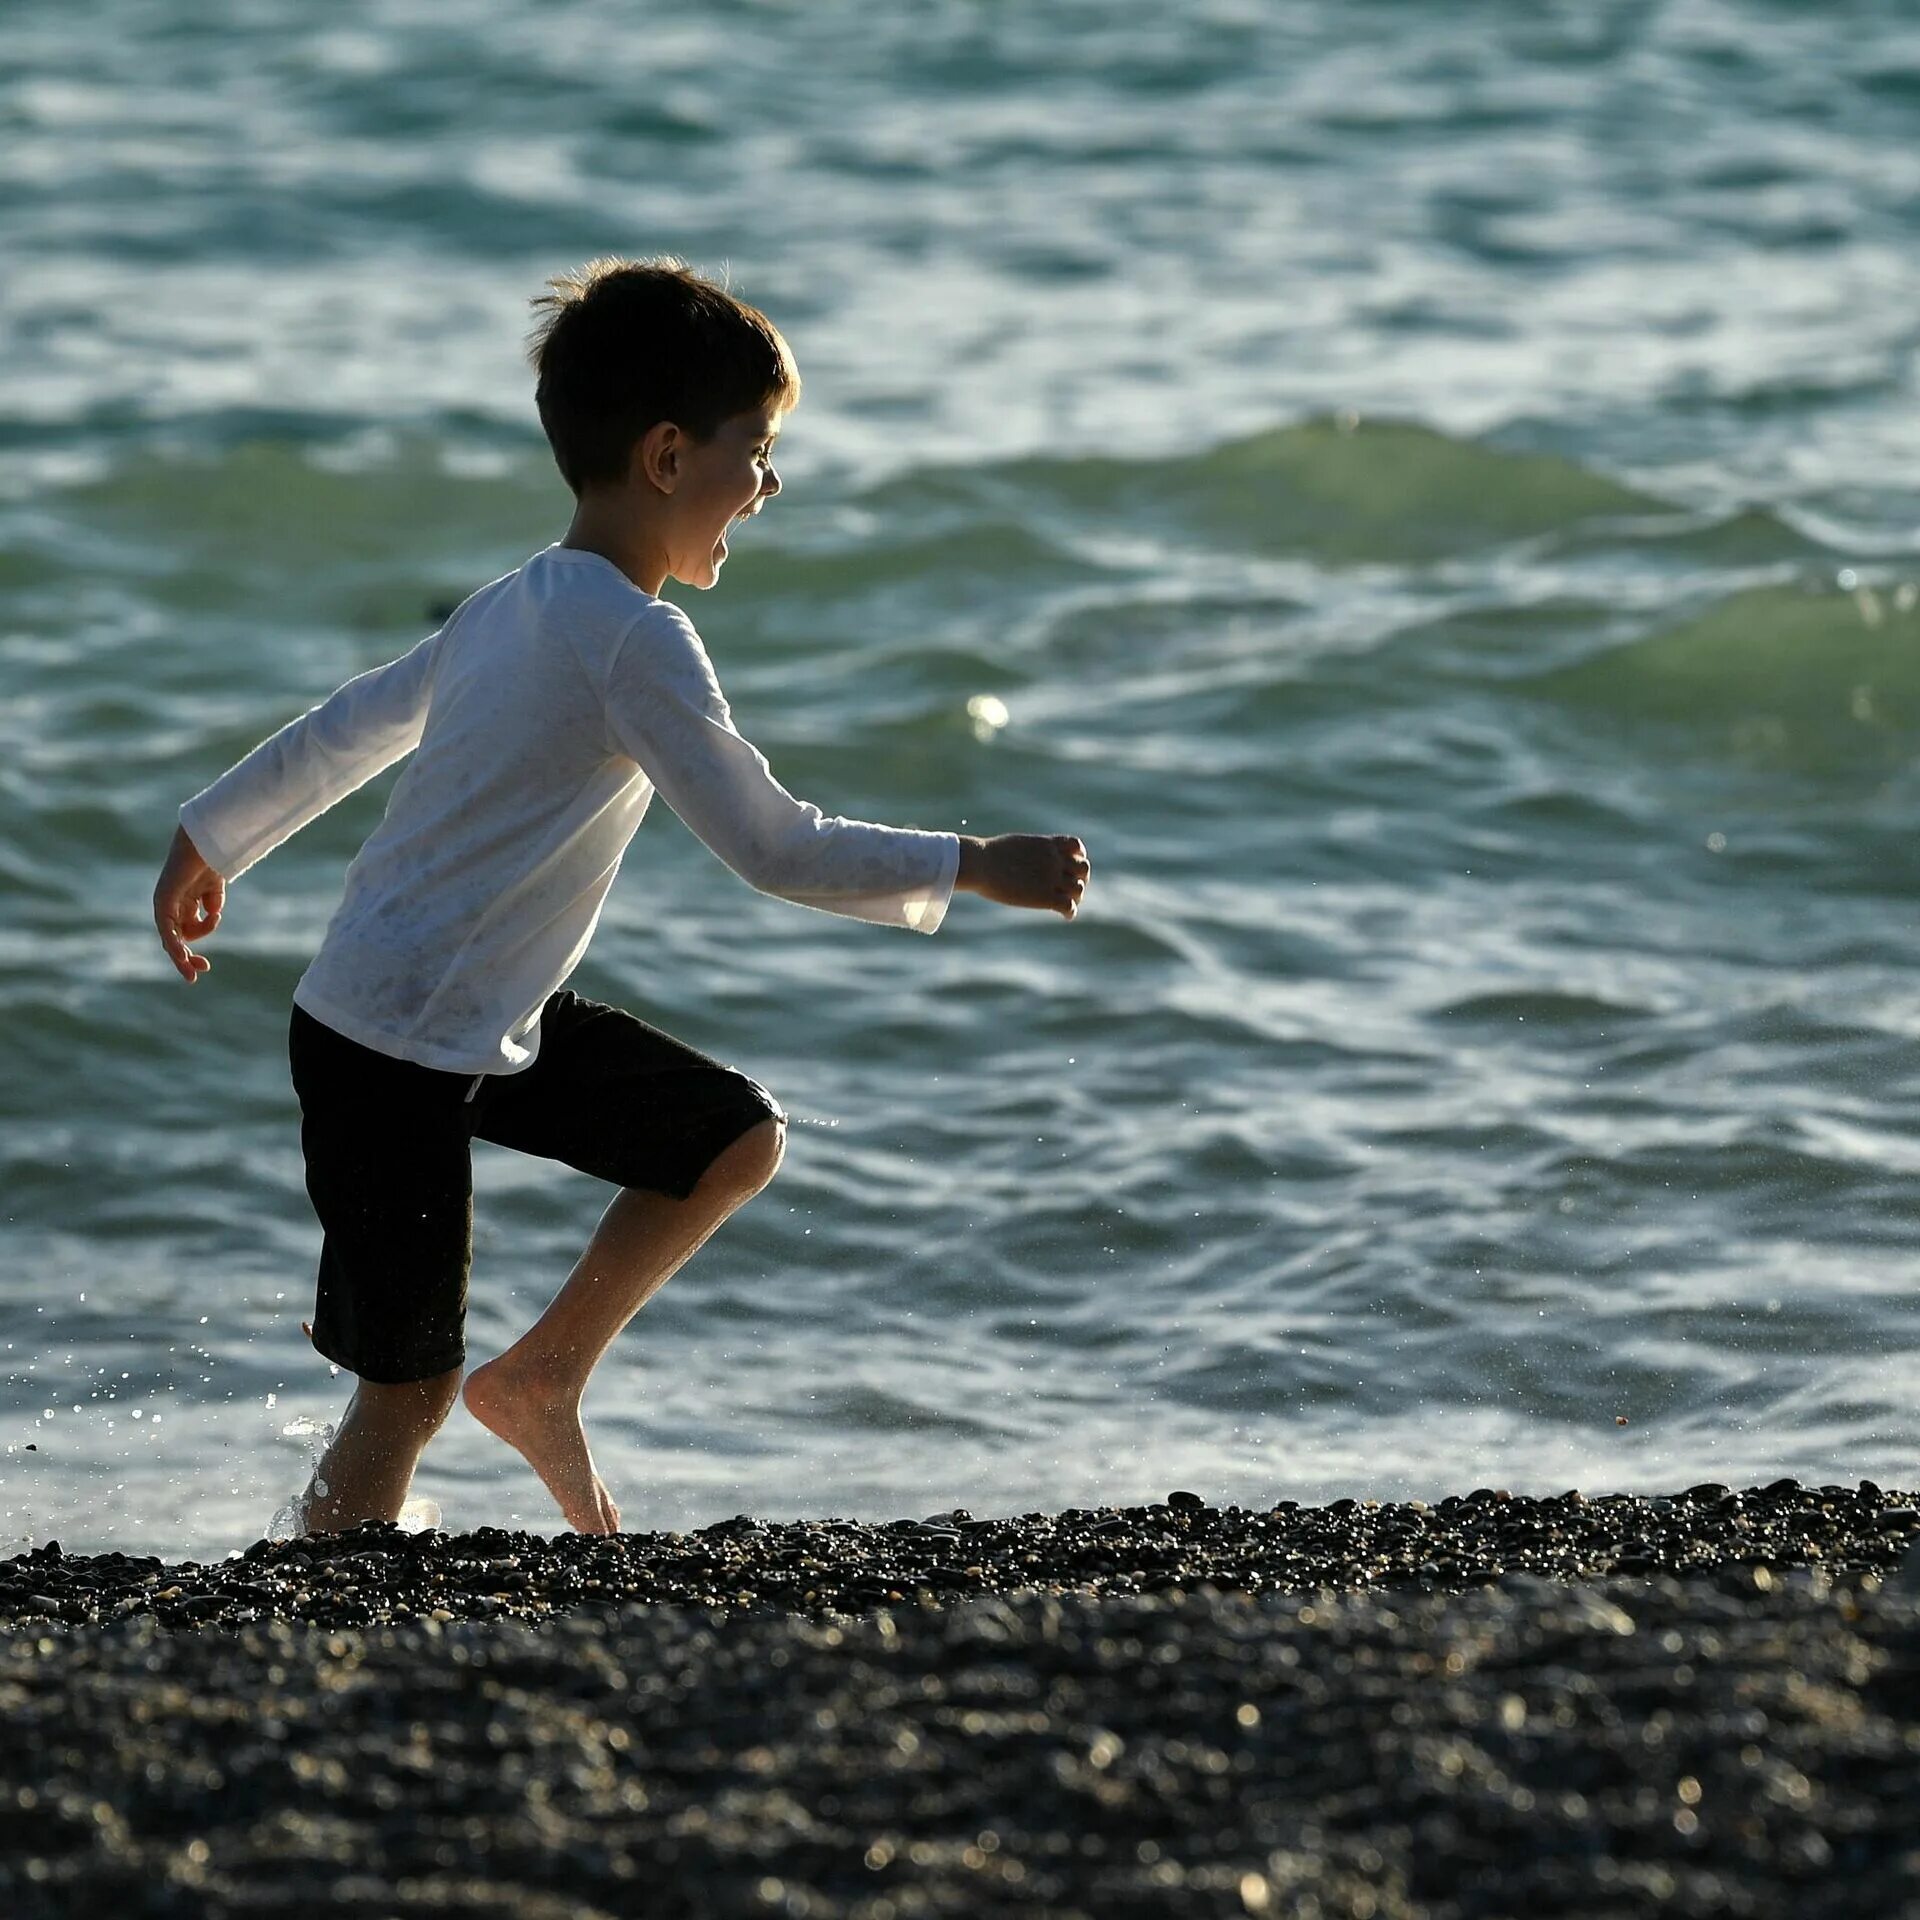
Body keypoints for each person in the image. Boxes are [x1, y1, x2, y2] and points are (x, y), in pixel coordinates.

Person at [150, 257, 1090, 1537]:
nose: (767, 486)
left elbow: (346, 728)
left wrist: (208, 837)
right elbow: (772, 845)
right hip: (389, 1046)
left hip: (474, 1019)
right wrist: (974, 863)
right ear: (663, 458)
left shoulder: (519, 600)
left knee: (729, 1138)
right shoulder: (633, 639)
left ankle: (543, 1379)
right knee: (407, 1387)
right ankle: (330, 1598)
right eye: (753, 454)